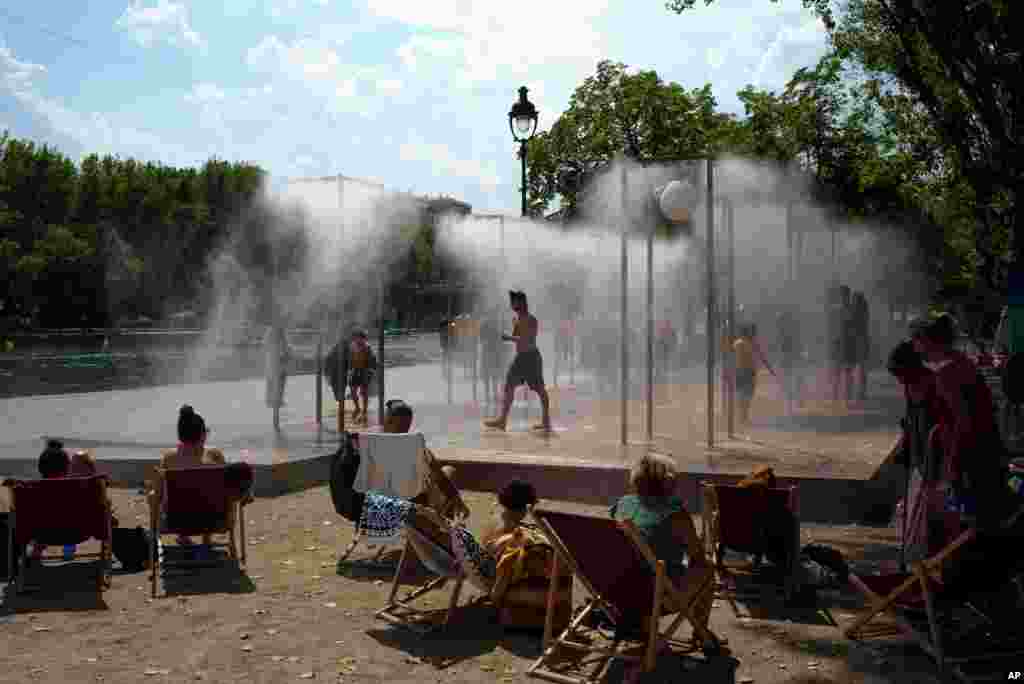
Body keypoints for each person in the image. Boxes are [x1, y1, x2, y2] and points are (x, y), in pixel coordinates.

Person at [608, 454, 713, 655]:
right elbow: (697, 558)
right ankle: (700, 632)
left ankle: (643, 627)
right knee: (707, 568)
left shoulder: (622, 504)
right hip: (654, 596)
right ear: (668, 481)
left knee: (645, 567)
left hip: (618, 592)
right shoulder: (675, 512)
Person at [915, 315, 1012, 529]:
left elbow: (962, 421)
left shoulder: (950, 374)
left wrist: (951, 467)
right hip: (981, 452)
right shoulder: (960, 364)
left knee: (974, 518)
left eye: (917, 341)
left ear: (930, 342)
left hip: (972, 458)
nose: (915, 347)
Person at [886, 339, 943, 563]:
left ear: (911, 368)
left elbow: (941, 422)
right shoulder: (910, 386)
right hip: (920, 453)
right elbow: (910, 420)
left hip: (936, 455)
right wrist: (905, 445)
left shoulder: (933, 384)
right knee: (918, 507)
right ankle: (918, 555)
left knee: (933, 507)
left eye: (900, 373)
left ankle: (933, 554)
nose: (899, 380)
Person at [150, 405, 228, 552]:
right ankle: (206, 538)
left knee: (156, 496)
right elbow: (227, 489)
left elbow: (158, 494)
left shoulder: (168, 459)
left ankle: (183, 536)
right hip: (214, 520)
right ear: (203, 434)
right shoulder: (215, 456)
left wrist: (152, 496)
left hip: (176, 521)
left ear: (180, 434)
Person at [484, 291, 552, 432]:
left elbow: (528, 339)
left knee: (539, 389)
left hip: (531, 358)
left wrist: (509, 338)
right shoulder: (517, 319)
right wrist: (510, 333)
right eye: (511, 302)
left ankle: (546, 420)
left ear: (521, 303)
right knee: (509, 385)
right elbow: (517, 336)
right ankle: (502, 420)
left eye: (514, 302)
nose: (512, 305)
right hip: (520, 358)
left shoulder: (531, 319)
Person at [733, 323, 776, 426]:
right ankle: (743, 417)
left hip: (743, 372)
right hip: (746, 372)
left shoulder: (739, 343)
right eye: (752, 332)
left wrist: (769, 368)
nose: (754, 334)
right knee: (745, 395)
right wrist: (770, 369)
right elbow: (761, 357)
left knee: (744, 395)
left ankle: (743, 416)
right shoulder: (745, 343)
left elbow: (761, 356)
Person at [347, 329, 377, 425]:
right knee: (352, 390)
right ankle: (357, 408)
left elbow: (373, 360)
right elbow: (349, 358)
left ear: (364, 339)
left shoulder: (368, 347)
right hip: (355, 371)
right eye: (357, 338)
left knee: (364, 392)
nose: (359, 340)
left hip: (365, 371)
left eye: (361, 338)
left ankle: (364, 410)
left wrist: (372, 370)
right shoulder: (352, 346)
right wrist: (349, 369)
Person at [265, 323, 290, 431]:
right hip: (279, 371)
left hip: (271, 370)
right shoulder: (280, 339)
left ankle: (275, 421)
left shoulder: (269, 336)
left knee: (275, 397)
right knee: (277, 397)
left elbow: (267, 350)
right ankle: (276, 421)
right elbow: (284, 354)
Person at [777, 310, 803, 415]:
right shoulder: (786, 331)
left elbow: (796, 345)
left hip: (790, 358)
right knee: (791, 381)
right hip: (789, 358)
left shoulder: (788, 331)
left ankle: (795, 401)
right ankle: (792, 402)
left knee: (794, 380)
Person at [479, 308, 505, 408]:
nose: (494, 316)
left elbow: (500, 338)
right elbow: (482, 338)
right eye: (493, 314)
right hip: (489, 352)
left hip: (493, 352)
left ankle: (493, 395)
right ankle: (489, 395)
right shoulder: (486, 325)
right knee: (489, 375)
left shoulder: (496, 324)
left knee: (493, 375)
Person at [851, 292, 871, 401]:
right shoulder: (864, 310)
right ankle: (861, 392)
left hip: (855, 341)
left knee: (854, 368)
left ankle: (856, 392)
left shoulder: (854, 311)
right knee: (862, 369)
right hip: (862, 340)